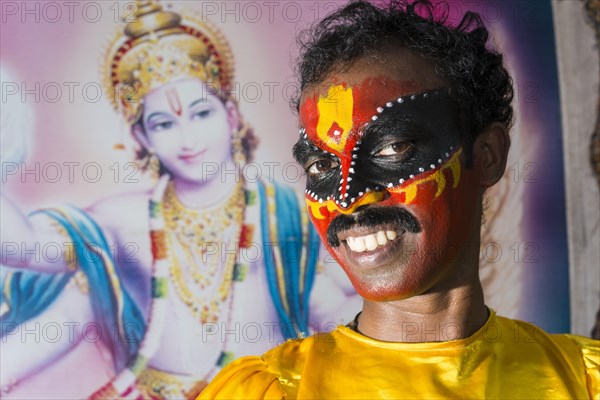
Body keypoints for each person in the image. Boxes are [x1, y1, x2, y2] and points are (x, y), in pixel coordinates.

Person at [199, 1, 599, 398]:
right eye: (322, 166)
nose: (348, 199)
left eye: (393, 148)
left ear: (488, 155)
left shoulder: (581, 379)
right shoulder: (272, 390)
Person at [0, 2, 358, 399]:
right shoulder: (122, 222)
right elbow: (26, 247)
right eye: (164, 123)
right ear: (141, 139)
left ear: (231, 115)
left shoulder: (282, 215)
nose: (188, 138)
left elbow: (333, 315)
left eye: (201, 113)